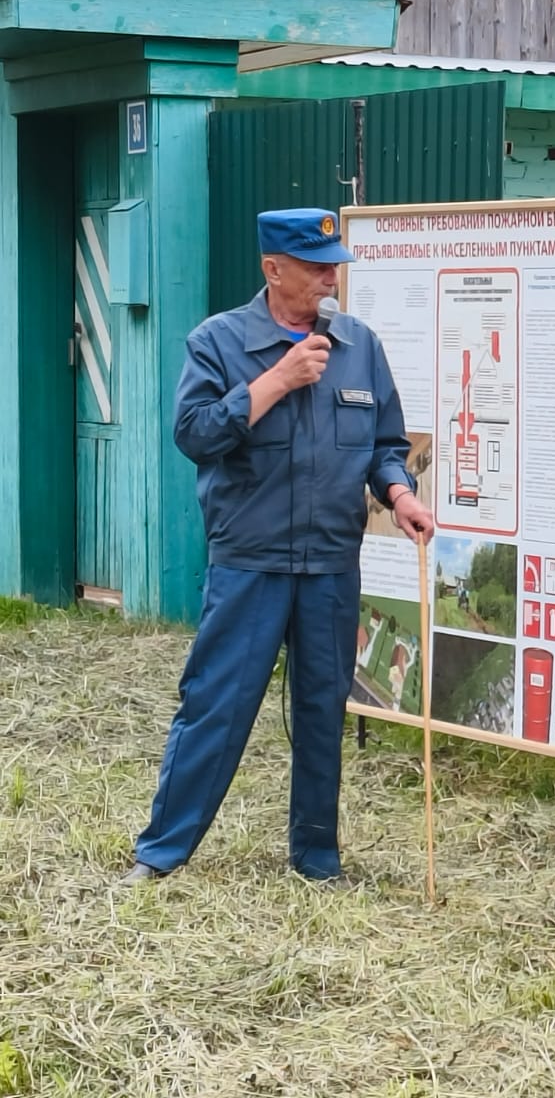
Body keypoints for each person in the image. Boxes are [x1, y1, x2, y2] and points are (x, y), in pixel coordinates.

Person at [121, 208, 435, 885]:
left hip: (329, 564)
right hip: (251, 562)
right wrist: (276, 380)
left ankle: (317, 859)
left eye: (334, 267)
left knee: (323, 709)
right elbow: (195, 434)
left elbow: (385, 444)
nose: (331, 279)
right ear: (273, 268)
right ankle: (161, 853)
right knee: (217, 703)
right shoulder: (219, 342)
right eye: (317, 268)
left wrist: (400, 494)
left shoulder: (360, 346)